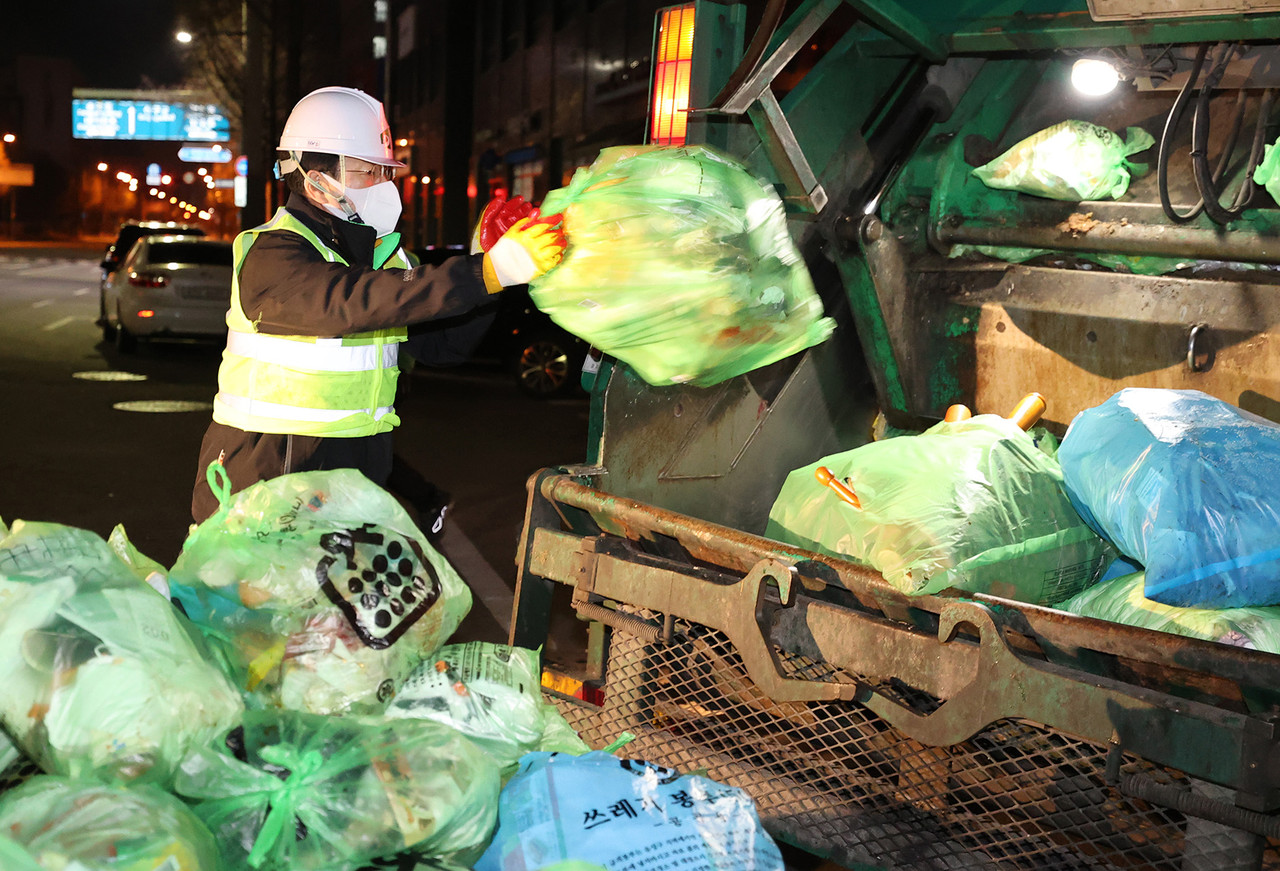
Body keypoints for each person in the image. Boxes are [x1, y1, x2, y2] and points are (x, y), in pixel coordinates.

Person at [190, 86, 565, 525]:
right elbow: (350, 299)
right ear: (318, 179)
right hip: (270, 472)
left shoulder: (384, 258)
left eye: (386, 173)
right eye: (369, 173)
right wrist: (486, 270)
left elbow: (443, 347)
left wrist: (491, 276)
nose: (385, 186)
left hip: (357, 471)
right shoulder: (272, 252)